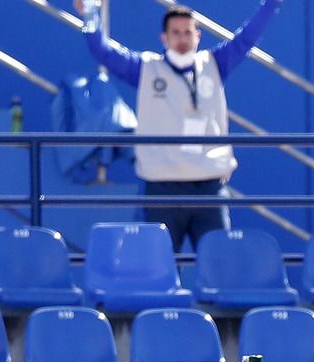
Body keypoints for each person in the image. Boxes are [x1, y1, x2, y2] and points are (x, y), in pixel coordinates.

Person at [76, 0, 282, 249]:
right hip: (162, 188)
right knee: (162, 266)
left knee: (216, 264)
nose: (182, 39)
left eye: (187, 32)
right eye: (175, 32)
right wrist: (90, 14)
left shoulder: (215, 63)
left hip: (208, 187)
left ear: (199, 36)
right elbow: (103, 52)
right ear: (164, 37)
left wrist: (272, 3)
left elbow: (247, 37)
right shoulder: (146, 68)